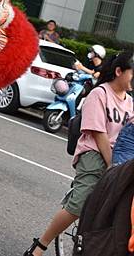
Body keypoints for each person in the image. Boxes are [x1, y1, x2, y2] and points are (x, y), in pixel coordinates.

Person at [23, 51, 134, 256]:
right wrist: (112, 167)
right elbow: (98, 133)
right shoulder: (99, 94)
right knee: (79, 204)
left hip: (120, 161)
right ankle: (40, 246)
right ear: (119, 71)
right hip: (95, 154)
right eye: (132, 73)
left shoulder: (130, 102)